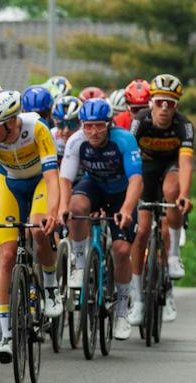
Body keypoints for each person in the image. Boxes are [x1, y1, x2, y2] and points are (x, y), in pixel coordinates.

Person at [0, 88, 63, 362]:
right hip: (9, 185)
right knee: (7, 255)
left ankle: (50, 287)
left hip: (38, 183)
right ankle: (6, 336)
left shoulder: (38, 129)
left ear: (11, 122)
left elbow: (51, 177)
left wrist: (52, 213)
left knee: (38, 229)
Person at [59, 98, 144, 338]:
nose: (93, 132)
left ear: (109, 124)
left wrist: (127, 209)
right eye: (88, 126)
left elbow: (136, 180)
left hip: (121, 192)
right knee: (76, 206)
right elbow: (65, 179)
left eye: (99, 126)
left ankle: (121, 312)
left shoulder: (124, 140)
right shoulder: (76, 141)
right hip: (95, 186)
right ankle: (79, 262)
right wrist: (63, 207)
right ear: (82, 125)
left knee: (120, 250)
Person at [128, 73, 195, 319]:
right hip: (145, 170)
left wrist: (184, 196)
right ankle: (137, 299)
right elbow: (130, 159)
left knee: (171, 193)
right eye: (159, 102)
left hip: (171, 168)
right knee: (142, 231)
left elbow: (186, 163)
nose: (164, 108)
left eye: (170, 103)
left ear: (176, 106)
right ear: (150, 103)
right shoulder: (140, 121)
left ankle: (174, 258)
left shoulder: (183, 125)